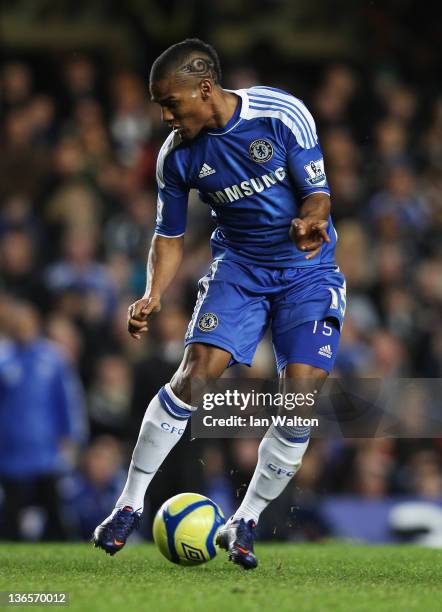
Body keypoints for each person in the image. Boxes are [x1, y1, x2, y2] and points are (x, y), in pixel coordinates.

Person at [93, 38, 346, 569]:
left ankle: (245, 520)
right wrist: (153, 293)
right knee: (193, 375)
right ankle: (129, 504)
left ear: (204, 88)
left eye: (170, 103)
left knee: (299, 399)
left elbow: (319, 193)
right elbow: (168, 236)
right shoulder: (177, 156)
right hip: (240, 270)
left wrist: (312, 217)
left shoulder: (281, 114)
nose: (164, 116)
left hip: (308, 271)